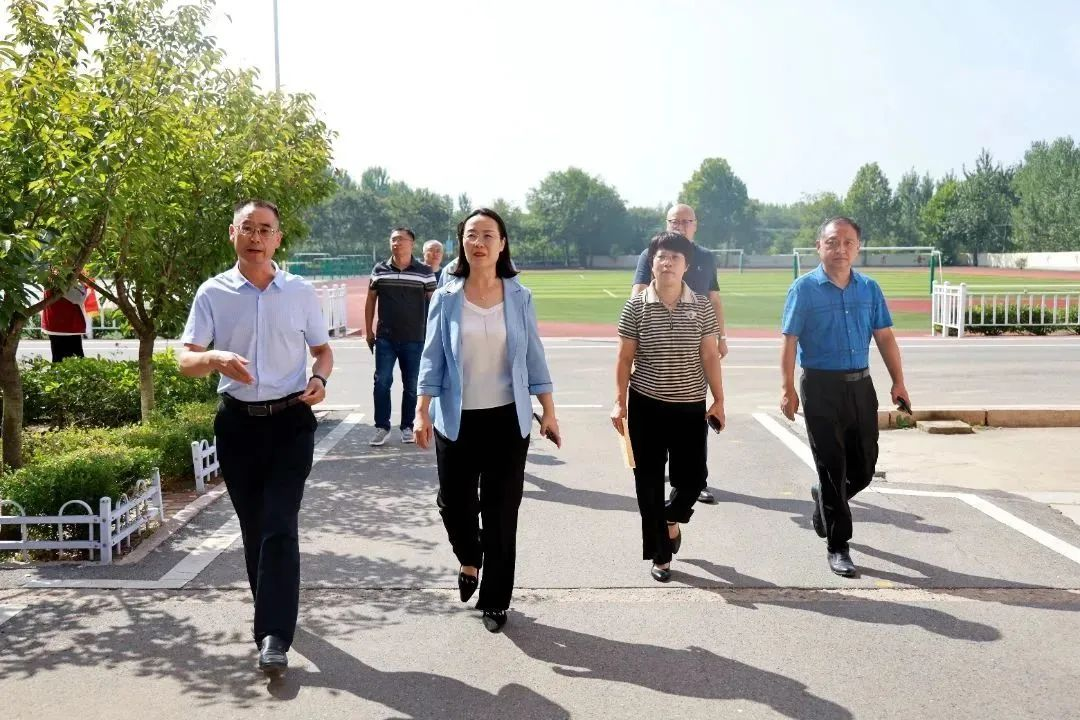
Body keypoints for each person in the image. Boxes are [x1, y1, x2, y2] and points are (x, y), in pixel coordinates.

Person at [179, 199, 333, 676]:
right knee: (254, 528)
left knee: (279, 524)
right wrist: (215, 358)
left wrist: (320, 379)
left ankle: (273, 634)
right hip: (238, 425)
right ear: (233, 234)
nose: (256, 236)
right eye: (248, 228)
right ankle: (273, 614)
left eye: (265, 229)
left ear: (277, 239)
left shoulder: (300, 292)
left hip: (291, 421)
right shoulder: (213, 292)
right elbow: (185, 359)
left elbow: (323, 351)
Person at [415, 207, 561, 633]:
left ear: (502, 244)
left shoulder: (519, 296)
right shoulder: (446, 297)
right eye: (471, 235)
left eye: (487, 235)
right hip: (454, 420)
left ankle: (496, 600)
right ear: (463, 242)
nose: (478, 243)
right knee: (454, 504)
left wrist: (549, 411)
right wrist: (422, 411)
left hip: (506, 421)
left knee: (501, 513)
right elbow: (432, 358)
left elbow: (534, 356)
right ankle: (469, 556)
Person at [780, 216, 911, 578]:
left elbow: (885, 337)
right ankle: (838, 546)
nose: (840, 249)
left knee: (865, 467)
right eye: (833, 242)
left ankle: (825, 499)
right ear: (819, 246)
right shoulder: (803, 290)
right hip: (819, 386)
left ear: (858, 247)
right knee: (831, 466)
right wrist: (787, 388)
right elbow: (789, 341)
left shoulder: (869, 289)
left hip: (860, 385)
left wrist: (898, 381)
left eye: (848, 242)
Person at [613, 231, 726, 583]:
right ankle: (661, 556)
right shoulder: (635, 306)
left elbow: (709, 354)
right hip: (646, 406)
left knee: (692, 481)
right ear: (652, 262)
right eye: (661, 257)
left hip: (690, 406)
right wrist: (619, 401)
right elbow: (624, 356)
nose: (667, 263)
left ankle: (671, 517)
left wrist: (719, 399)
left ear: (686, 265)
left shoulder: (702, 306)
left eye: (675, 258)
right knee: (647, 484)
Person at [631, 203, 728, 504]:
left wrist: (721, 337)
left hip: (696, 340)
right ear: (667, 223)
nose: (681, 226)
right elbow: (637, 291)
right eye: (675, 221)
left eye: (687, 221)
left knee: (696, 409)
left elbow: (714, 298)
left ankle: (697, 481)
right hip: (658, 339)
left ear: (695, 225)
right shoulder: (652, 254)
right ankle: (664, 472)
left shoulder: (707, 258)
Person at [365, 227, 437, 446]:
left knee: (412, 384)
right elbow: (370, 301)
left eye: (401, 239)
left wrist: (434, 336)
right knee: (382, 382)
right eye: (393, 239)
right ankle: (381, 427)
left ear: (411, 243)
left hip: (415, 339)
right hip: (385, 338)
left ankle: (407, 426)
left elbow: (434, 305)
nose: (396, 243)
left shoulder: (424, 271)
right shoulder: (379, 270)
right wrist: (369, 331)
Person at [41, 280, 88, 362]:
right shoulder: (61, 278)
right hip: (67, 324)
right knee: (75, 360)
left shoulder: (51, 277)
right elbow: (78, 297)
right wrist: (82, 284)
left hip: (57, 324)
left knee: (58, 359)